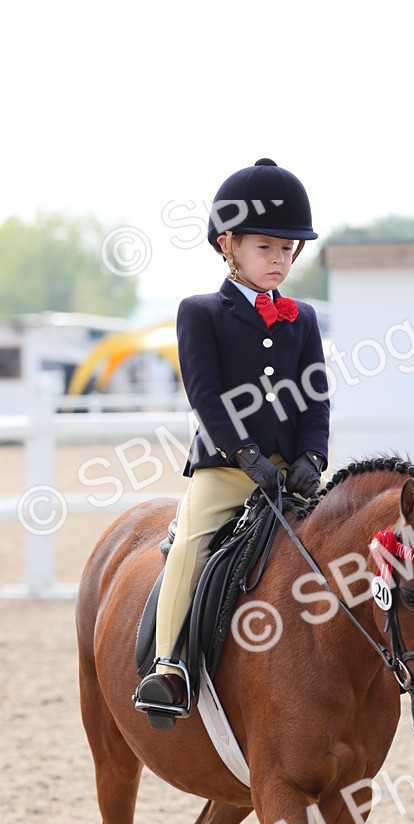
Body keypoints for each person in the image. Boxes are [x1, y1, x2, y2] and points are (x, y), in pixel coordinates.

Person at [135, 158, 329, 729]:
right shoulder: (200, 313)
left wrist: (311, 459)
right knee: (191, 544)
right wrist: (246, 457)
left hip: (291, 474)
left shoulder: (304, 318)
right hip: (225, 469)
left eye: (289, 251)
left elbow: (315, 398)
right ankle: (169, 666)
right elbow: (206, 396)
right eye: (267, 247)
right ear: (229, 245)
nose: (280, 260)